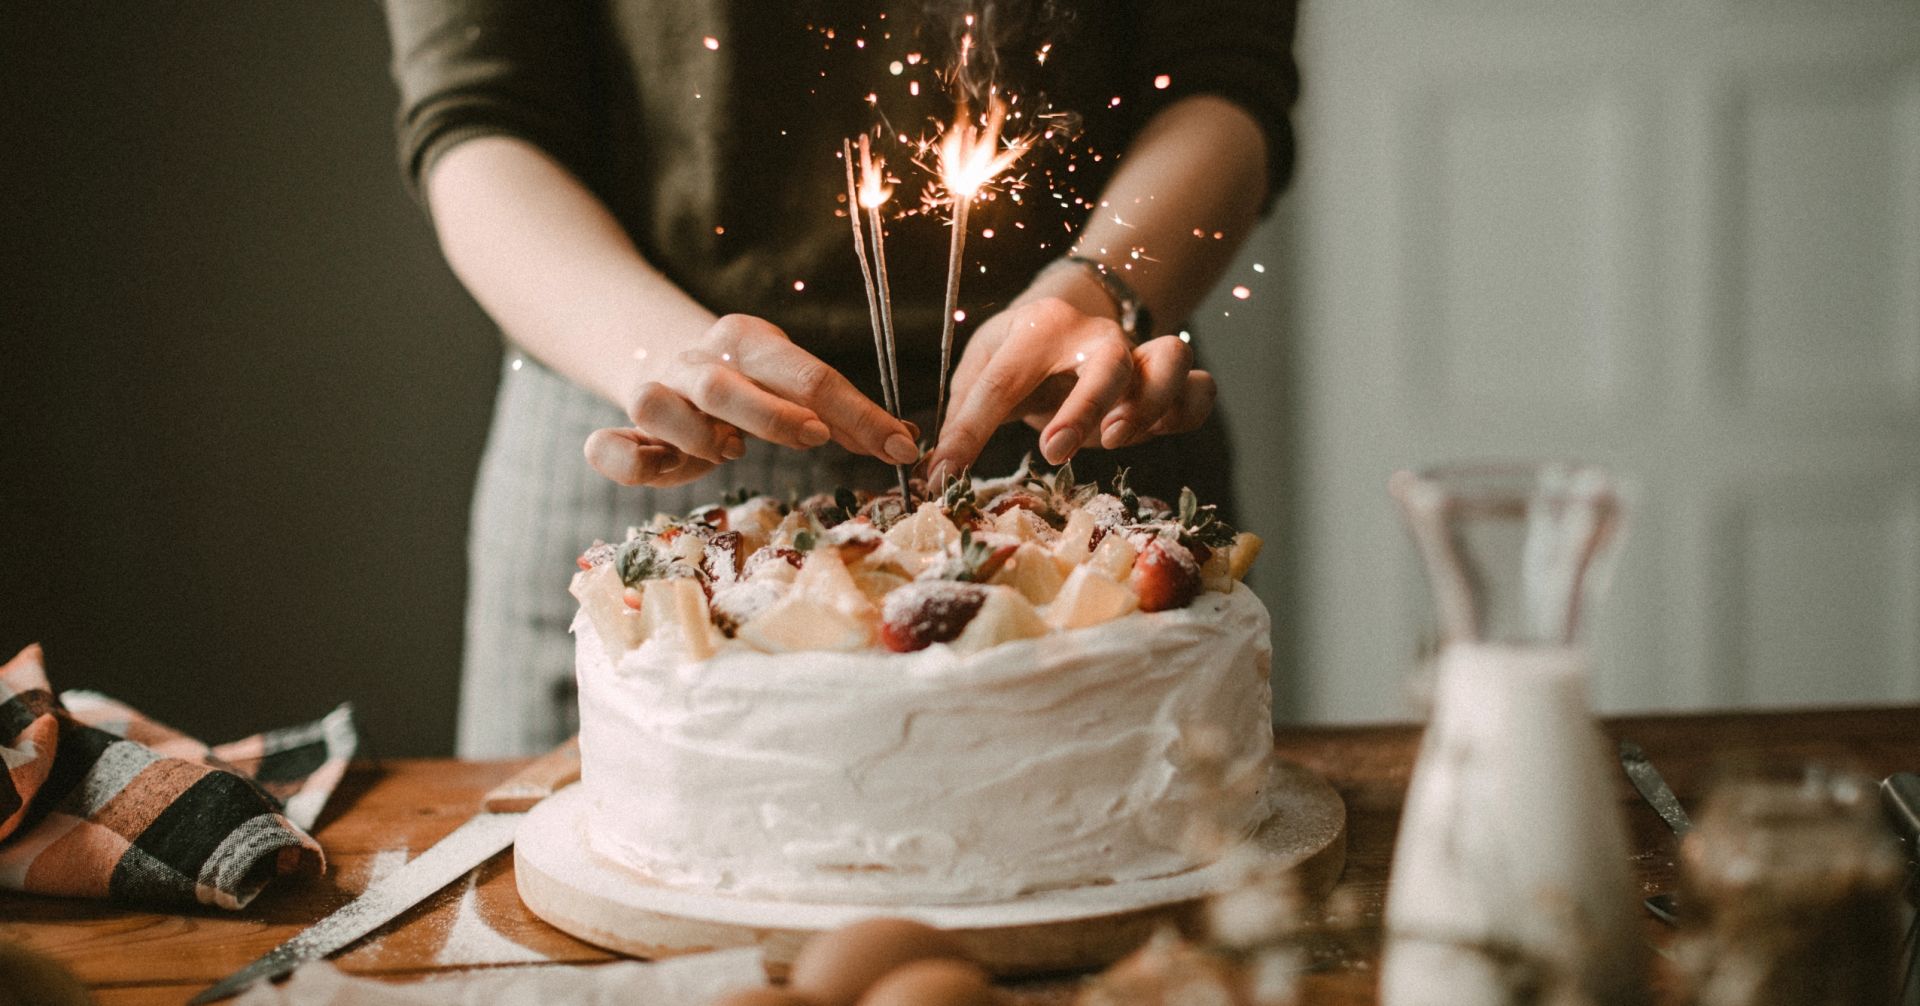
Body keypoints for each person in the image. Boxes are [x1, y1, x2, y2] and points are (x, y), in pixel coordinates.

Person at [380, 0, 1298, 756]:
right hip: (643, 437)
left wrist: (1102, 285)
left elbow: (1225, 74)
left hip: (1073, 432)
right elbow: (476, 117)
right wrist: (657, 355)